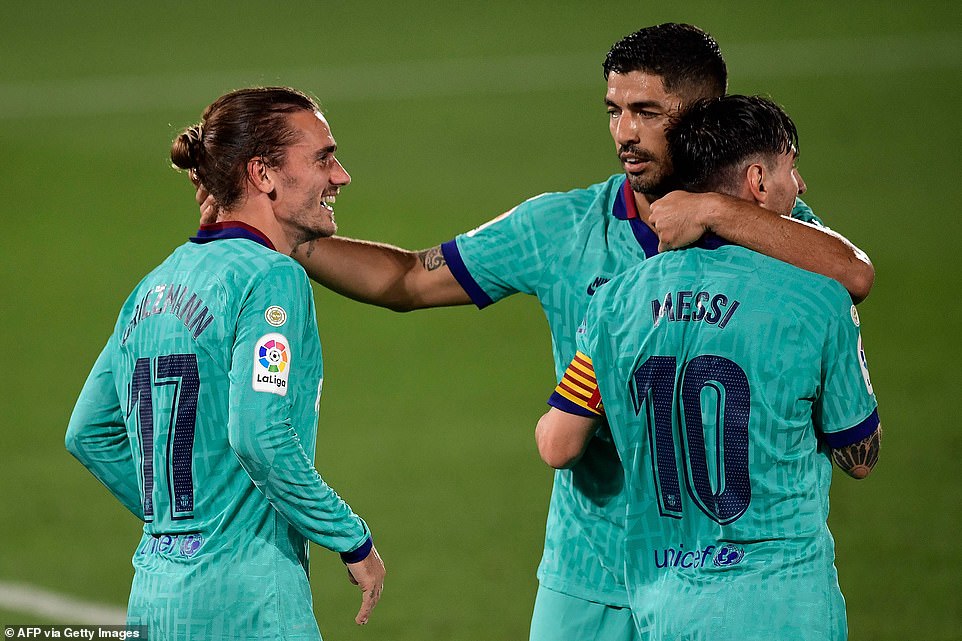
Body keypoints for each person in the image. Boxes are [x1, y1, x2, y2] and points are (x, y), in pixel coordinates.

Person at [194, 24, 875, 641]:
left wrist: (715, 213)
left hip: (719, 568)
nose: (624, 133)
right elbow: (406, 280)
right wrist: (274, 230)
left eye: (646, 112)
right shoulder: (560, 227)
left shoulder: (771, 226)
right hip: (591, 573)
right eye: (613, 110)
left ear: (704, 116)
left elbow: (851, 271)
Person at [536, 94, 881, 640]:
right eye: (791, 168)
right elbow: (859, 455)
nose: (801, 185)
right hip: (784, 606)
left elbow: (559, 442)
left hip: (666, 608)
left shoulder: (614, 303)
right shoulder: (818, 299)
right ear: (758, 181)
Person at [66, 86, 385, 641]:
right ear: (262, 174)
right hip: (247, 605)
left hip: (156, 599)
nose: (341, 176)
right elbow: (259, 433)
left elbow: (88, 433)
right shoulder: (272, 277)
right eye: (322, 158)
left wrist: (183, 523)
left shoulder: (153, 285)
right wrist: (350, 536)